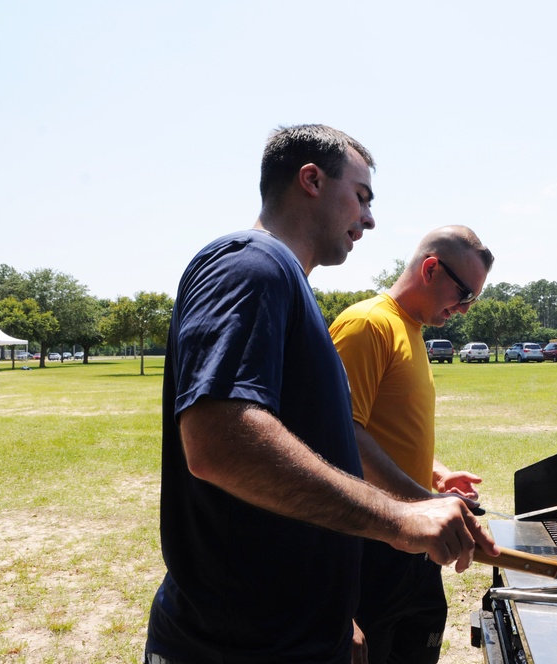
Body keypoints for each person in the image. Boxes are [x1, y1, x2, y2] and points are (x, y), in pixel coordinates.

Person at [145, 125, 497, 664]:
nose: (370, 218)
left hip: (294, 631)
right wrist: (402, 515)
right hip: (236, 645)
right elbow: (219, 443)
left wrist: (333, 615)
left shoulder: (289, 287)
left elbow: (316, 450)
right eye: (360, 196)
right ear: (311, 180)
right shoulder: (249, 264)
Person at [329, 226, 494, 664]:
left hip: (415, 546)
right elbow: (341, 435)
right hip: (373, 541)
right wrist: (425, 502)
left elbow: (390, 426)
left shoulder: (413, 331)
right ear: (430, 268)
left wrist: (436, 474)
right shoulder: (367, 325)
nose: (462, 310)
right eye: (463, 295)